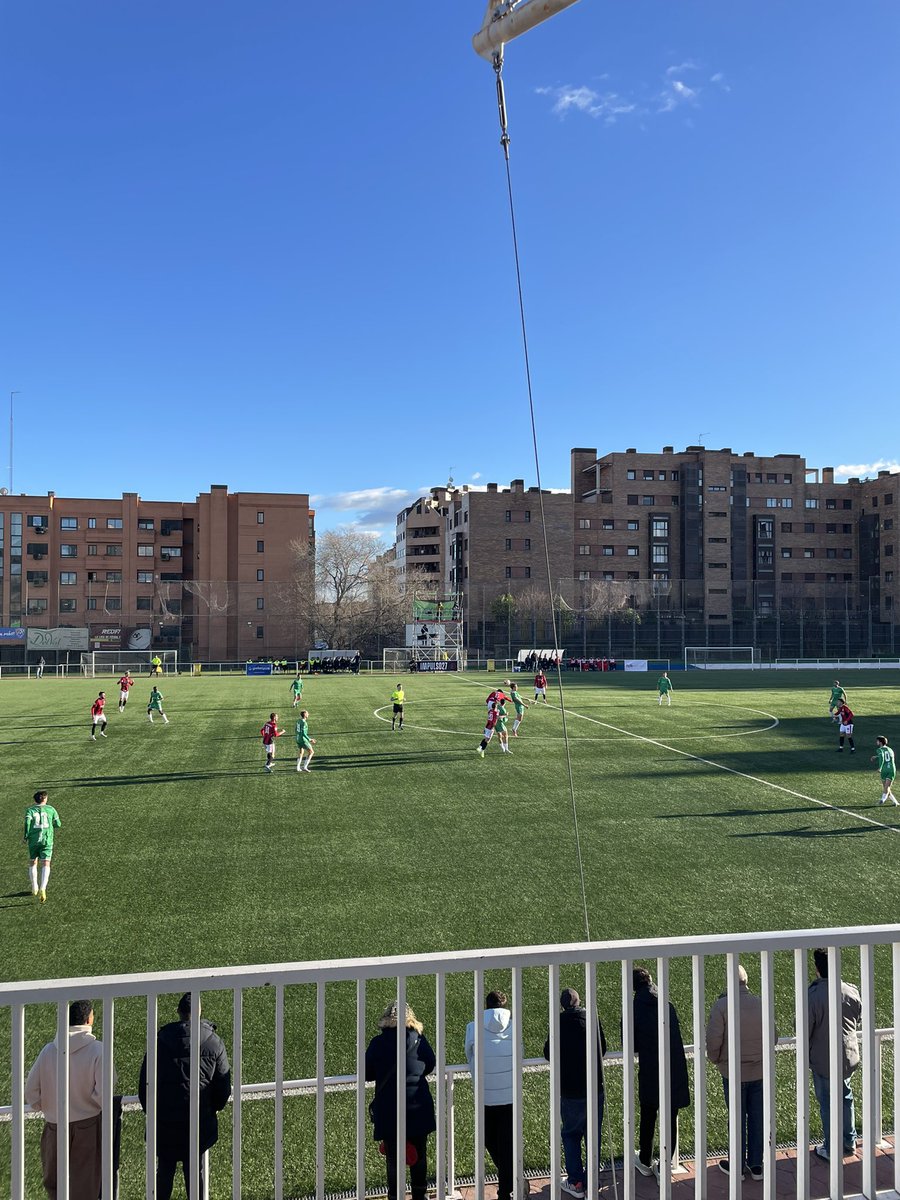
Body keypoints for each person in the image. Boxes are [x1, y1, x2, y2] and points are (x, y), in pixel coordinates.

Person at [139, 993, 231, 1200]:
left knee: (164, 1174)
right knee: (196, 1175)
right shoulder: (213, 1042)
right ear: (200, 1012)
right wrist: (210, 1110)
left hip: (164, 1123)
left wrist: (153, 1113)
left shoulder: (159, 1041)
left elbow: (144, 1086)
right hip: (198, 1122)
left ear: (179, 1013)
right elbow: (223, 1087)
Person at [25, 999, 114, 1200]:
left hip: (55, 1125)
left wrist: (46, 1107)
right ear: (89, 1019)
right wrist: (89, 1105)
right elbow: (104, 1093)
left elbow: (31, 1090)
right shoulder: (98, 1049)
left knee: (54, 1187)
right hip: (88, 1126)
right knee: (85, 1186)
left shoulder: (49, 1050)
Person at [365, 1001, 436, 1200]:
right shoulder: (418, 1039)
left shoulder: (378, 1043)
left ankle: (395, 1196)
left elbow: (367, 1072)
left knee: (393, 1160)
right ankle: (419, 1195)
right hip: (417, 1105)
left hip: (390, 1109)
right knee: (419, 1156)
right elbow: (430, 1064)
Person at [706, 964, 771, 1180]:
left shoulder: (722, 1005)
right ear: (746, 980)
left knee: (736, 1119)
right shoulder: (760, 1003)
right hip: (758, 1071)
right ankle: (756, 1165)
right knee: (757, 1118)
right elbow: (773, 1037)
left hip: (733, 1073)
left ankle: (737, 1164)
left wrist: (716, 1059)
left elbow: (713, 1041)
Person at [543, 987, 606, 1197]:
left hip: (571, 1091)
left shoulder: (558, 1023)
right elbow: (602, 1048)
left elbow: (548, 1053)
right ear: (579, 1002)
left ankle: (577, 1182)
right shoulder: (591, 1018)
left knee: (571, 1135)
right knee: (592, 1135)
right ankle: (591, 1180)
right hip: (594, 1087)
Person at [632, 967, 690, 1179]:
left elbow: (630, 1041)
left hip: (651, 1068)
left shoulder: (636, 1006)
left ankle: (645, 1159)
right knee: (670, 1116)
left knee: (648, 1114)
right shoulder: (666, 1002)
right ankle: (665, 1164)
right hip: (674, 1067)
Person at [808, 947, 861, 1161]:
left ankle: (831, 1147)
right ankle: (849, 1141)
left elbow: (803, 1026)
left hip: (823, 1058)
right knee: (846, 1097)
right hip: (847, 1056)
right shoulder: (850, 990)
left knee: (828, 1102)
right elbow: (859, 1016)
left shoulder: (813, 994)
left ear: (817, 968)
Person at [465, 989, 516, 1200]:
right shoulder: (514, 1025)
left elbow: (469, 1054)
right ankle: (508, 1186)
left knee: (488, 1139)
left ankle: (508, 1184)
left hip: (485, 1094)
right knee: (506, 1144)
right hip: (509, 1094)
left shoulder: (473, 1027)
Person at [24, 790, 61, 903]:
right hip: (47, 839)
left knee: (33, 861)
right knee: (46, 863)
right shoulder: (51, 809)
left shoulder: (30, 810)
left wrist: (26, 835)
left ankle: (34, 886)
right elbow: (58, 824)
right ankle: (43, 888)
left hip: (34, 840)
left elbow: (27, 823)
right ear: (45, 799)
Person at [871, 735, 898, 805]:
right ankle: (895, 802)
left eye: (877, 741)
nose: (876, 742)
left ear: (880, 742)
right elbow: (889, 757)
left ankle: (883, 799)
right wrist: (876, 757)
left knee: (886, 787)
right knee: (887, 787)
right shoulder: (890, 749)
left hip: (884, 769)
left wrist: (880, 767)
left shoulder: (879, 750)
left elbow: (882, 757)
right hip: (892, 769)